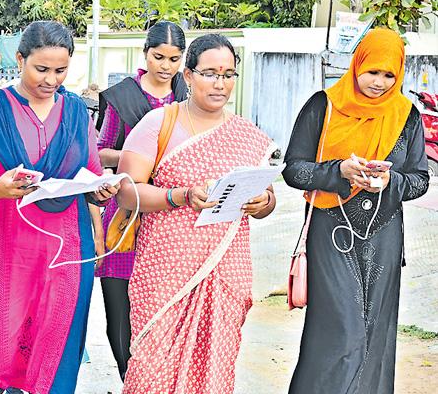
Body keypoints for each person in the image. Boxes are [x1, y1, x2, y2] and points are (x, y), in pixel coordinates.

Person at [0, 21, 117, 394]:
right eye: (41, 69)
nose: (51, 79)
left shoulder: (74, 113)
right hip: (0, 253)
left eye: (61, 70)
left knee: (55, 356)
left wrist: (99, 196)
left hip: (64, 257)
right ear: (20, 59)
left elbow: (90, 175)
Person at [116, 33, 277, 393]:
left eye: (228, 74)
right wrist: (181, 196)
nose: (220, 83)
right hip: (165, 270)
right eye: (210, 73)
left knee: (212, 368)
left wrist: (262, 202)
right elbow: (128, 192)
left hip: (224, 270)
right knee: (151, 369)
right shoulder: (159, 123)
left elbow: (268, 198)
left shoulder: (246, 134)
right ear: (187, 76)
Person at [283, 28, 429, 394]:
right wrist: (338, 172)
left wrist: (389, 183)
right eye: (372, 72)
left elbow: (420, 179)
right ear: (356, 65)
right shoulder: (324, 104)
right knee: (342, 332)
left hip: (383, 233)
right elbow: (293, 169)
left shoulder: (407, 115)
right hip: (331, 233)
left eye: (389, 75)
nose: (379, 83)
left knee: (375, 335)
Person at [94, 20, 188, 381]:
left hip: (173, 215)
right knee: (121, 314)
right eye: (158, 56)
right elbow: (100, 153)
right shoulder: (122, 97)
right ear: (144, 53)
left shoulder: (189, 91)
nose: (165, 66)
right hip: (126, 216)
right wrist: (143, 153)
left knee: (165, 313)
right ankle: (130, 382)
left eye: (174, 58)